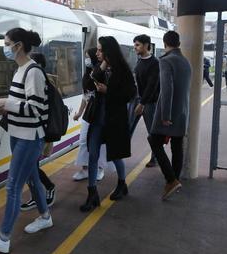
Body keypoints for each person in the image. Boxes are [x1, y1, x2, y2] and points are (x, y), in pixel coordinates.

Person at [0, 28, 52, 254]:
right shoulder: (20, 70)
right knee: (32, 178)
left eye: (7, 43)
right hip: (19, 133)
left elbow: (35, 109)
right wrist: (6, 102)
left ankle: (3, 237)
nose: (5, 47)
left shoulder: (33, 72)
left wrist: (6, 104)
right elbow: (24, 102)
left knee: (13, 185)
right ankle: (45, 216)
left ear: (18, 46)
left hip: (30, 137)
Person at [80, 36, 137, 212]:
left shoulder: (123, 70)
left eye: (99, 50)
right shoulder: (100, 68)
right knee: (92, 155)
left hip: (114, 120)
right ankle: (92, 193)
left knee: (115, 154)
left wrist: (108, 91)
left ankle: (122, 184)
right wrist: (100, 68)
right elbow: (88, 86)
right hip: (97, 120)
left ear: (108, 51)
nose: (96, 53)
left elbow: (130, 94)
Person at [147, 31, 192, 201]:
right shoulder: (186, 62)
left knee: (154, 141)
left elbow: (167, 89)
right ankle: (174, 180)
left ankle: (171, 180)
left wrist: (165, 115)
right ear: (178, 43)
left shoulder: (166, 61)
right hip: (182, 112)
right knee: (177, 146)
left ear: (165, 43)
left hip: (169, 113)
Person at [20, 52, 56, 211]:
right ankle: (38, 196)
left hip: (40, 132)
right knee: (29, 166)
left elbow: (38, 109)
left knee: (30, 165)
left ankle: (47, 189)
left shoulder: (43, 81)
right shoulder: (37, 79)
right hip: (33, 131)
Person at [71, 48, 112, 182]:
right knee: (83, 141)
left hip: (100, 114)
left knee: (99, 143)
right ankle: (85, 169)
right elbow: (85, 96)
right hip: (88, 114)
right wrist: (79, 113)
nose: (86, 59)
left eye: (88, 57)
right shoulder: (87, 73)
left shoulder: (101, 73)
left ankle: (99, 168)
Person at [133, 34, 160, 168]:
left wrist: (142, 103)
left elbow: (152, 85)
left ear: (146, 45)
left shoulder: (154, 63)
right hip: (140, 100)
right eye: (135, 45)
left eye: (137, 45)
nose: (135, 47)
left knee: (152, 132)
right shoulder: (140, 61)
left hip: (149, 103)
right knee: (129, 126)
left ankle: (155, 158)